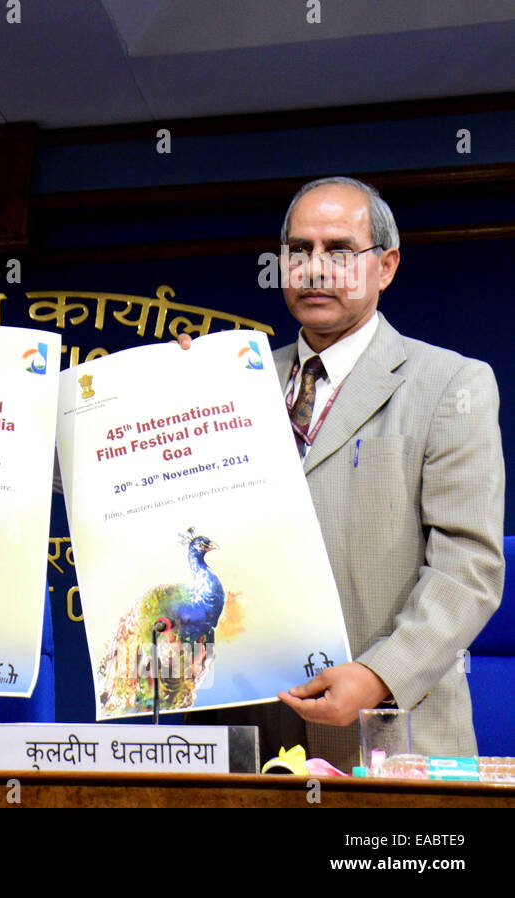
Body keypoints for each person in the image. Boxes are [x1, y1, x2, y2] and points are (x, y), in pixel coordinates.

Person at [215, 177, 505, 770]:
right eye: (299, 251)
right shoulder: (225, 387)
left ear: (386, 266)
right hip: (251, 743)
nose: (315, 269)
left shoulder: (452, 385)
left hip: (396, 744)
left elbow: (469, 570)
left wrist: (378, 676)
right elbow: (98, 470)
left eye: (339, 251)